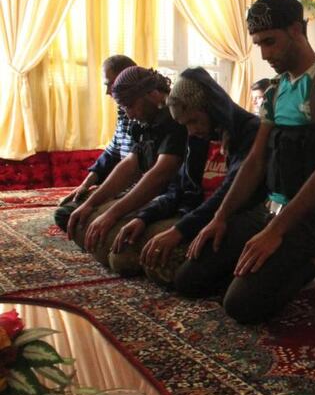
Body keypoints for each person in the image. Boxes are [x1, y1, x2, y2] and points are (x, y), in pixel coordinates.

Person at [173, 0, 315, 323]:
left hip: (312, 219)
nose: (264, 53)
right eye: (258, 44)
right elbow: (256, 160)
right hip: (269, 209)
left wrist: (275, 233)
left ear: (296, 30)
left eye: (270, 42)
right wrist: (221, 217)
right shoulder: (274, 90)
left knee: (242, 306)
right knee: (188, 280)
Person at [108, 67, 263, 286]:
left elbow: (230, 192)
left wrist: (180, 230)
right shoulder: (200, 136)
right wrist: (144, 217)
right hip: (197, 215)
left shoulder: (250, 132)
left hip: (234, 217)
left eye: (193, 121)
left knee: (184, 281)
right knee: (122, 256)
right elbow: (180, 188)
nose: (190, 131)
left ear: (211, 108)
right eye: (185, 125)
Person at [58, 67, 187, 268]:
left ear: (151, 94)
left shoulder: (175, 117)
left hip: (173, 203)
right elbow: (130, 164)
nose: (129, 113)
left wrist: (112, 214)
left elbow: (159, 175)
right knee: (79, 219)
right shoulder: (148, 119)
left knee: (120, 258)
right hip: (152, 199)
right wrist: (90, 203)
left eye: (130, 106)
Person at [56, 55, 138, 208]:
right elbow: (111, 154)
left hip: (138, 192)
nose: (107, 92)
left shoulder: (146, 115)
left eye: (110, 85)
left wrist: (105, 193)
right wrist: (85, 185)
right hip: (123, 189)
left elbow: (135, 166)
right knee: (69, 208)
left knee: (72, 213)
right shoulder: (123, 112)